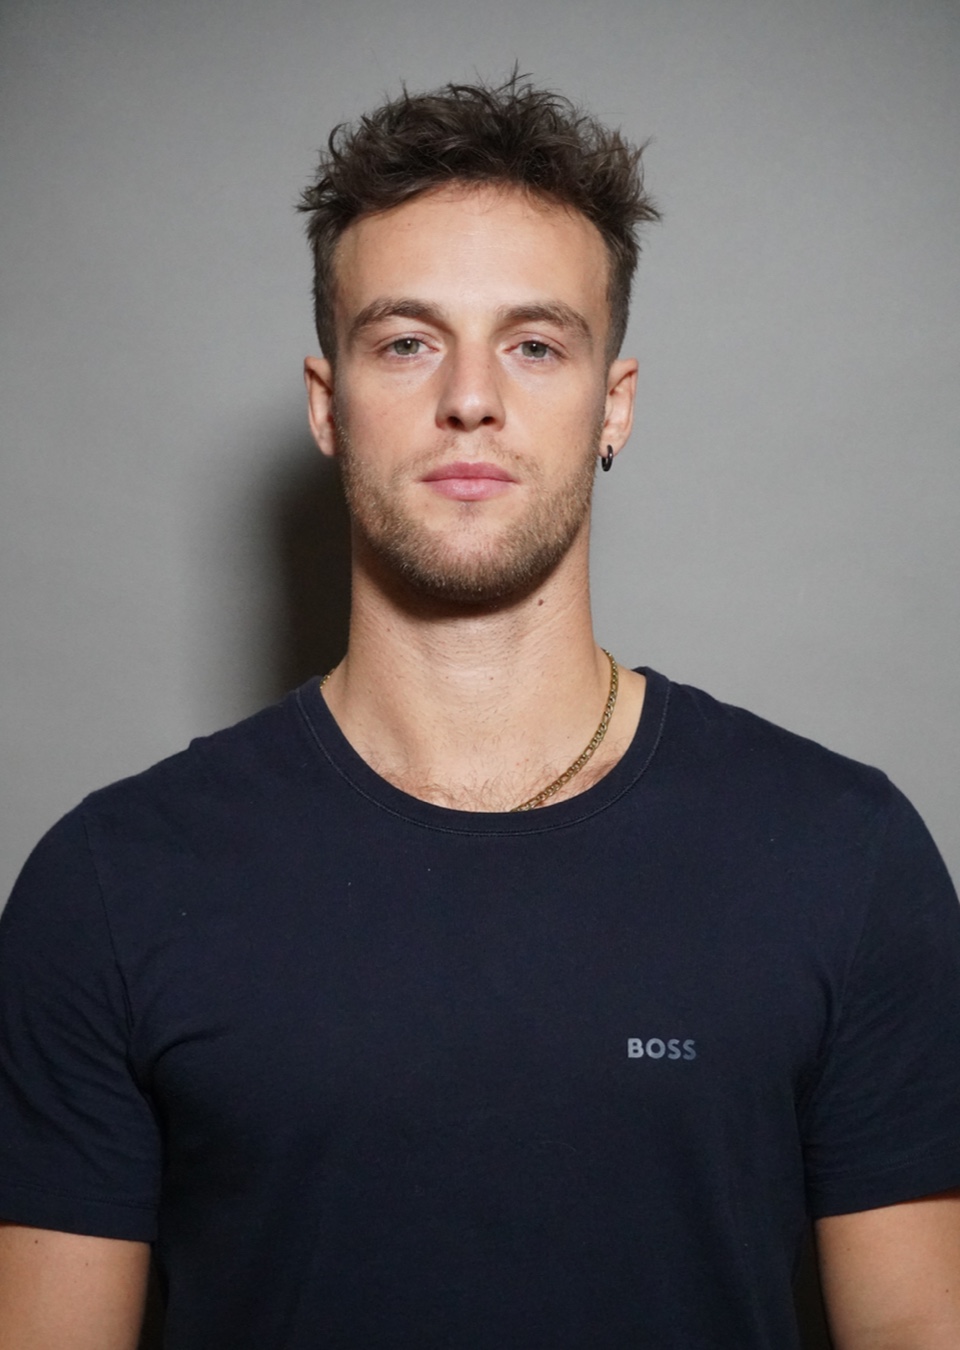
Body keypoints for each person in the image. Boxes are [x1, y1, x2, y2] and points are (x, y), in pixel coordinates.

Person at [1, 75, 959, 1350]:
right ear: (328, 404)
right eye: (406, 341)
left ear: (614, 404)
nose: (471, 398)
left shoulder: (845, 856)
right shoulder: (110, 884)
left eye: (535, 344)